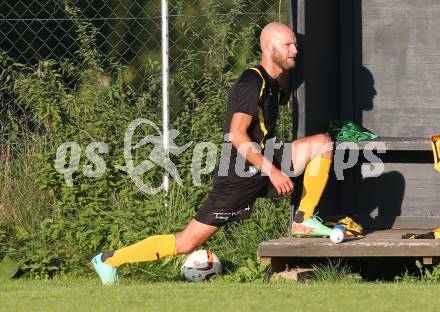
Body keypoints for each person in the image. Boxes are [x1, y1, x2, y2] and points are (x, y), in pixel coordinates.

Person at [91, 22, 334, 286]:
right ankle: (107, 260)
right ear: (267, 47)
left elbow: (284, 97)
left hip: (263, 162)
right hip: (239, 176)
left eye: (295, 44)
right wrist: (274, 172)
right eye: (288, 45)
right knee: (187, 242)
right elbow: (237, 135)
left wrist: (285, 66)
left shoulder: (272, 82)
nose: (295, 50)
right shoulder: (251, 82)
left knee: (322, 144)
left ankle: (303, 220)